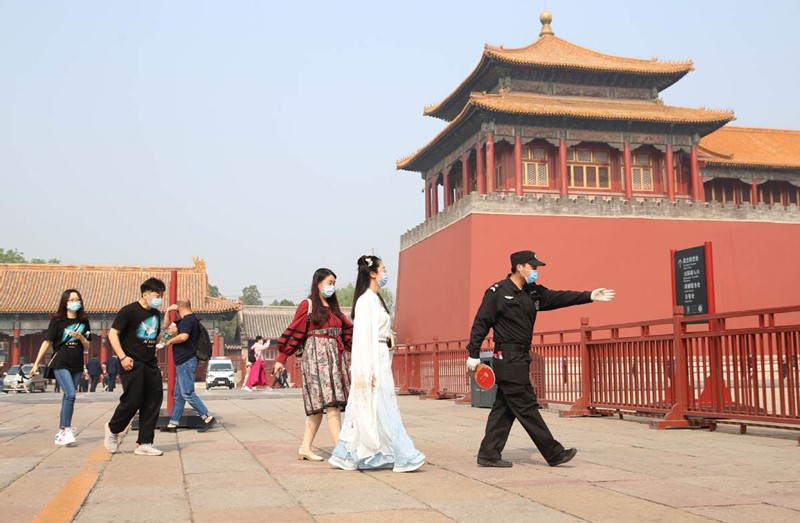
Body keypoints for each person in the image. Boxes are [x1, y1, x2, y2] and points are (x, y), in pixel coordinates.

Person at [465, 250, 616, 468]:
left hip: (521, 356)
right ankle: (553, 453)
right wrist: (473, 353)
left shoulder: (532, 292)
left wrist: (589, 295)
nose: (536, 271)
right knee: (526, 405)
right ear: (519, 267)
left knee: (505, 409)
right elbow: (481, 322)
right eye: (533, 267)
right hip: (506, 357)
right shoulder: (497, 292)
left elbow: (558, 297)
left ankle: (488, 454)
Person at [329, 256, 425, 473]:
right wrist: (367, 369)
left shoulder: (376, 299)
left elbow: (380, 332)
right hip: (373, 359)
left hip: (382, 354)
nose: (385, 272)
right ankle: (403, 454)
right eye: (383, 268)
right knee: (382, 405)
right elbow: (363, 339)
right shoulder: (365, 301)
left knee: (381, 405)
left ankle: (355, 455)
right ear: (372, 273)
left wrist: (389, 338)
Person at [275, 268, 352, 462]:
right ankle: (341, 452)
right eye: (329, 282)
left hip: (335, 359)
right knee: (331, 403)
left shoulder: (334, 310)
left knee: (319, 407)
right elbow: (295, 332)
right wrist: (281, 358)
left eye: (334, 283)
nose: (332, 286)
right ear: (318, 284)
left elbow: (348, 331)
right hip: (317, 359)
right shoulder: (307, 306)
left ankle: (305, 447)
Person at [103, 278, 167, 456]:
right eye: (157, 295)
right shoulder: (129, 311)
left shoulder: (155, 314)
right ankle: (112, 428)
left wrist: (168, 334)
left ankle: (144, 442)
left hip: (150, 363)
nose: (159, 298)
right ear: (145, 294)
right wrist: (122, 357)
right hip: (131, 362)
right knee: (133, 400)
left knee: (154, 400)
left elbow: (155, 337)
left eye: (161, 296)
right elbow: (113, 333)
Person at [30, 289, 92, 446]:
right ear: (65, 302)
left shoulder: (84, 321)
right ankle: (66, 430)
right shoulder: (57, 321)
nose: (74, 302)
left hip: (76, 363)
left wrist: (81, 337)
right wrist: (36, 363)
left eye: (77, 299)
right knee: (71, 394)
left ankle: (62, 431)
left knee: (68, 397)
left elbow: (88, 345)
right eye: (71, 300)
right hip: (61, 362)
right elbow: (47, 342)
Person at [160, 300, 217, 433]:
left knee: (187, 393)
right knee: (179, 395)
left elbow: (184, 336)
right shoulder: (189, 320)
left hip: (186, 360)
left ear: (180, 308)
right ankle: (173, 424)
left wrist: (169, 341)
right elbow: (166, 325)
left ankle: (208, 417)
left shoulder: (187, 320)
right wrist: (168, 311)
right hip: (184, 361)